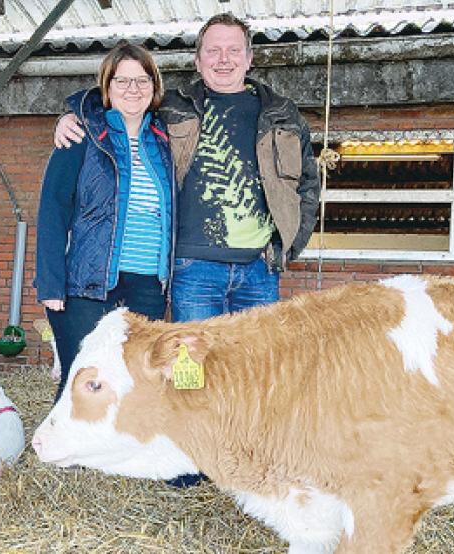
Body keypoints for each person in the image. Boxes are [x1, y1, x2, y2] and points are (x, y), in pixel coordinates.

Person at [53, 13, 320, 486]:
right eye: (212, 50)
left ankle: (253, 460)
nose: (223, 59)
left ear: (249, 57)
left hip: (259, 270)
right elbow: (117, 105)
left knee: (256, 370)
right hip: (194, 268)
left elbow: (308, 185)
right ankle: (194, 458)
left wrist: (289, 244)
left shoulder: (282, 114)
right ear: (196, 61)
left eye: (232, 49)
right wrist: (71, 115)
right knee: (190, 372)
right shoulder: (175, 109)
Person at [34, 42, 175, 402]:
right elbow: (53, 209)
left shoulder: (168, 142)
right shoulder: (81, 137)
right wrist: (51, 285)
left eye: (142, 81)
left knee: (133, 381)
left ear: (155, 87)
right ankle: (63, 453)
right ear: (107, 88)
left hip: (147, 285)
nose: (133, 89)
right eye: (122, 81)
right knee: (80, 378)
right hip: (89, 284)